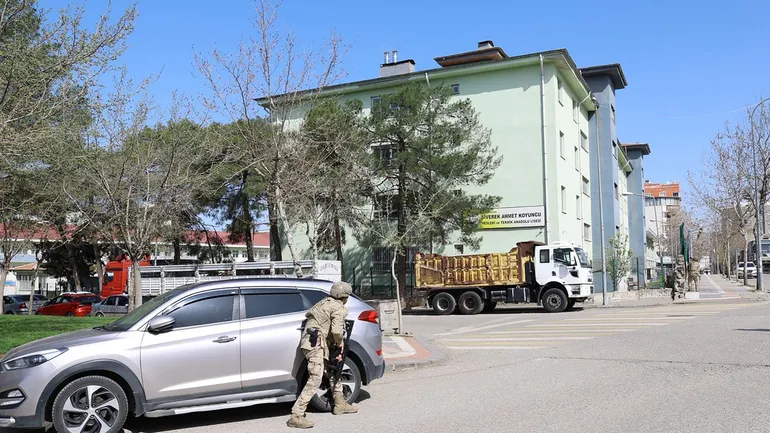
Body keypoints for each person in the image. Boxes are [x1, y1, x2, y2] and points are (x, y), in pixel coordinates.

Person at [287, 281, 359, 428]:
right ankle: (296, 415)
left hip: (315, 342)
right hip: (316, 344)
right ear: (345, 297)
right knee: (316, 377)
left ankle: (339, 403)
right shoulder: (339, 308)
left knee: (332, 370)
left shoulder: (323, 302)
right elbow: (337, 331)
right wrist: (340, 344)